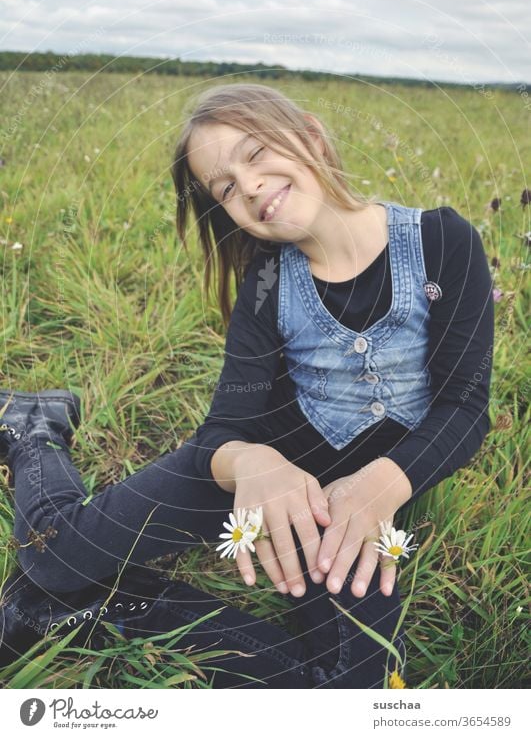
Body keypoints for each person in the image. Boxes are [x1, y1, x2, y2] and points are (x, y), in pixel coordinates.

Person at [0, 82, 494, 688]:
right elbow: (224, 428)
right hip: (257, 467)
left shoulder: (444, 243)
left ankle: (88, 609)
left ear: (311, 136)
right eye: (226, 187)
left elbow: (464, 406)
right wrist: (252, 462)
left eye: (257, 153)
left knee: (354, 686)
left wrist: (383, 486)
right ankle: (33, 431)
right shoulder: (265, 281)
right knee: (52, 552)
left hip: (356, 500)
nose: (250, 184)